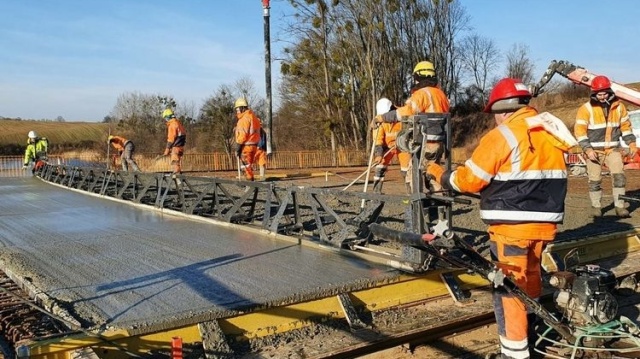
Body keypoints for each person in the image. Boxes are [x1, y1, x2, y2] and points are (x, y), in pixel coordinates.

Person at [426, 78, 577, 359]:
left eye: (494, 115)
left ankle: (515, 353)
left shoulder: (504, 135)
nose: (495, 121)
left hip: (512, 230)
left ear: (502, 109)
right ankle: (531, 338)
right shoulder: (550, 133)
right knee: (530, 282)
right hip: (543, 229)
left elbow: (469, 180)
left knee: (509, 291)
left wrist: (439, 174)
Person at [375, 60, 450, 190]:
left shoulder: (421, 94)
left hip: (425, 143)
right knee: (433, 171)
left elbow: (406, 112)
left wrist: (383, 117)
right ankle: (437, 203)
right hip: (440, 142)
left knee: (413, 177)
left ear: (420, 76)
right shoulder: (441, 94)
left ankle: (418, 207)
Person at [574, 75, 636, 218]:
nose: (602, 96)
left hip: (612, 150)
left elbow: (625, 127)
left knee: (619, 176)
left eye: (604, 93)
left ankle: (620, 207)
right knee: (594, 179)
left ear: (609, 92)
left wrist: (631, 143)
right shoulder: (586, 109)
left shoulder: (619, 107)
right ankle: (596, 207)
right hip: (593, 151)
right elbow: (580, 132)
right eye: (599, 94)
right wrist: (587, 149)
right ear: (594, 93)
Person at [372, 98, 411, 193]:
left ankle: (411, 195)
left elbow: (410, 132)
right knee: (379, 168)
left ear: (391, 109)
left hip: (403, 146)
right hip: (387, 147)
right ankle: (376, 193)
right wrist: (378, 154)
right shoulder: (378, 120)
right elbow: (378, 139)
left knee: (407, 170)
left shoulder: (403, 115)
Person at [234, 97, 262, 181]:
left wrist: (238, 147)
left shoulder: (244, 118)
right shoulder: (253, 117)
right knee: (248, 168)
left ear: (242, 108)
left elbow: (243, 134)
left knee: (245, 168)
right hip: (254, 145)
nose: (237, 111)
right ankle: (251, 185)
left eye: (237, 109)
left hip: (246, 146)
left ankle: (250, 187)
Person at [161, 109, 186, 174]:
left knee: (174, 161)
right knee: (177, 162)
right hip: (181, 147)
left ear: (168, 117)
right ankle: (179, 176)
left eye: (165, 118)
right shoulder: (178, 123)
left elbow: (171, 139)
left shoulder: (172, 124)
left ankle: (177, 175)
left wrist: (167, 149)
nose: (165, 120)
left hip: (176, 147)